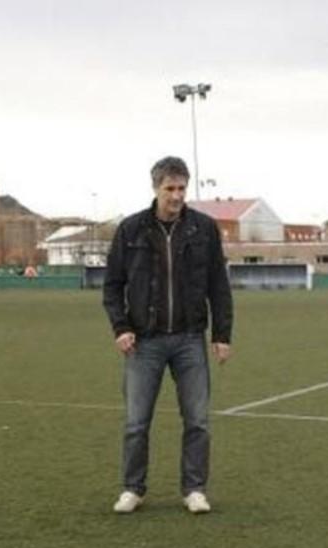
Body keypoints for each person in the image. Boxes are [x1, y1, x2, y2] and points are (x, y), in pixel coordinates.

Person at [102, 156, 233, 514]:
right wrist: (121, 327)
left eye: (181, 188)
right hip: (144, 342)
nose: (176, 196)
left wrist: (222, 334)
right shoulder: (131, 230)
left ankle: (194, 489)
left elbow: (218, 286)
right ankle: (133, 488)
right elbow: (113, 286)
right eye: (170, 188)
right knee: (136, 422)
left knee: (198, 420)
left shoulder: (203, 229)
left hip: (190, 339)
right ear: (155, 188)